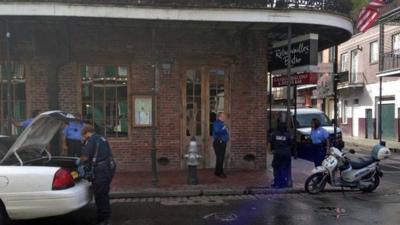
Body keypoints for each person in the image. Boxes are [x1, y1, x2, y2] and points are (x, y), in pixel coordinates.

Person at [81, 125, 116, 225]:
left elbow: (85, 157)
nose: (83, 137)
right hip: (109, 167)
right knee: (104, 192)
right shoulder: (102, 138)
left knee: (100, 195)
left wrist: (82, 148)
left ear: (87, 133)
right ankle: (106, 215)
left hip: (101, 170)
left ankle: (104, 219)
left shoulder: (91, 140)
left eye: (83, 135)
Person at [269, 122, 292, 188]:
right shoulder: (288, 135)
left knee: (276, 168)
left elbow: (271, 143)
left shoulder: (274, 134)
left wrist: (270, 151)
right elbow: (290, 144)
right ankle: (283, 182)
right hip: (286, 154)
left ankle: (277, 182)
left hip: (277, 154)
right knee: (284, 168)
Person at [212, 112, 229, 178]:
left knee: (220, 158)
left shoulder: (221, 123)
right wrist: (224, 128)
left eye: (224, 116)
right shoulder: (217, 123)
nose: (224, 118)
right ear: (219, 117)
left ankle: (217, 172)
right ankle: (220, 173)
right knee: (220, 158)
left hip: (222, 142)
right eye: (223, 116)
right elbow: (216, 131)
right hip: (219, 142)